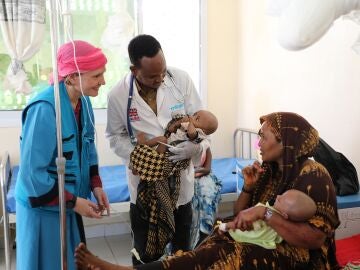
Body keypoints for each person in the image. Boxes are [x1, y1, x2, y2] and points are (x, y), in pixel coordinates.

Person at [76, 112, 340, 270]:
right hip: (266, 242)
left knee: (227, 255)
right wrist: (248, 188)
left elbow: (315, 240)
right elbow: (240, 214)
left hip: (302, 257)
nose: (258, 142)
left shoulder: (314, 176)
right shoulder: (270, 171)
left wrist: (266, 214)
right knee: (210, 245)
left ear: (287, 143)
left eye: (265, 137)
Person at [105, 34, 208, 264]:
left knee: (182, 256)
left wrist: (195, 145)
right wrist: (139, 156)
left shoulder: (180, 80)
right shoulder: (118, 95)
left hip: (181, 186)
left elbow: (202, 121)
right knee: (146, 255)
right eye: (152, 76)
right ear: (134, 70)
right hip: (145, 187)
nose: (161, 78)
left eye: (163, 71)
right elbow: (114, 136)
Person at [15, 40, 110, 270]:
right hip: (43, 210)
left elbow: (88, 147)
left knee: (71, 262)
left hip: (68, 203)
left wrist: (96, 185)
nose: (103, 82)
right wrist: (74, 202)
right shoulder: (44, 110)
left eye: (103, 74)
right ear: (71, 77)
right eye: (96, 76)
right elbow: (31, 176)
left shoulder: (84, 103)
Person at [222, 189, 316, 249]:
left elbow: (246, 225)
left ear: (284, 215)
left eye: (280, 200)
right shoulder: (267, 170)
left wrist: (225, 226)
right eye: (281, 195)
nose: (278, 196)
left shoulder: (270, 216)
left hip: (240, 233)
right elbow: (238, 211)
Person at [135, 109, 218, 153]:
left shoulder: (199, 134)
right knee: (162, 139)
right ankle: (144, 147)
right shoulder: (188, 125)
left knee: (161, 142)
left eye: (196, 118)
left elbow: (191, 133)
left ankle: (143, 147)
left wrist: (191, 122)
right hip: (168, 143)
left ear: (203, 130)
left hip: (171, 151)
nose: (192, 116)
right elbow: (171, 129)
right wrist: (179, 122)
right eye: (194, 114)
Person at [190, 146, 222, 249]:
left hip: (202, 175)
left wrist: (193, 175)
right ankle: (192, 239)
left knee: (206, 190)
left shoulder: (205, 145)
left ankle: (204, 232)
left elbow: (207, 169)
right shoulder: (180, 142)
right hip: (187, 176)